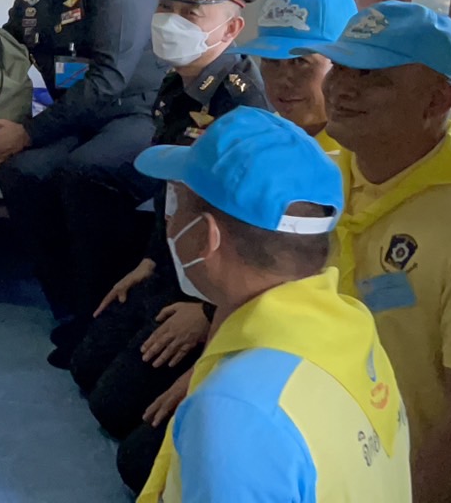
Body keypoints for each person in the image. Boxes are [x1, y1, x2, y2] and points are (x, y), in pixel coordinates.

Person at [66, 0, 267, 488]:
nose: (170, 22)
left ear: (231, 28)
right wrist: (152, 260)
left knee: (115, 411)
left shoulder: (242, 105)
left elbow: (253, 230)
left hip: (215, 289)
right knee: (86, 368)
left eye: (190, 12)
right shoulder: (178, 87)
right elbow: (172, 195)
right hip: (176, 268)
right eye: (166, 7)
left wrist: (206, 311)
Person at [131, 107, 410, 503]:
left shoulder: (234, 412)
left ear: (206, 237)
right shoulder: (350, 325)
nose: (170, 224)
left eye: (177, 206)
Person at [296, 2, 451, 503]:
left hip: (398, 479)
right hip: (301, 446)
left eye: (373, 77)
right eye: (341, 67)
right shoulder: (316, 176)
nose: (342, 89)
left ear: (438, 99)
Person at [0, 0, 167, 352]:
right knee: (22, 172)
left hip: (134, 114)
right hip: (79, 117)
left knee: (86, 172)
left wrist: (29, 131)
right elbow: (9, 47)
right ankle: (72, 304)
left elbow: (108, 80)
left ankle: (107, 317)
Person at [237, 0, 359, 150]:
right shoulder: (255, 141)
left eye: (300, 62)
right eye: (271, 61)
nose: (282, 80)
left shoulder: (365, 154)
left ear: (344, 67)